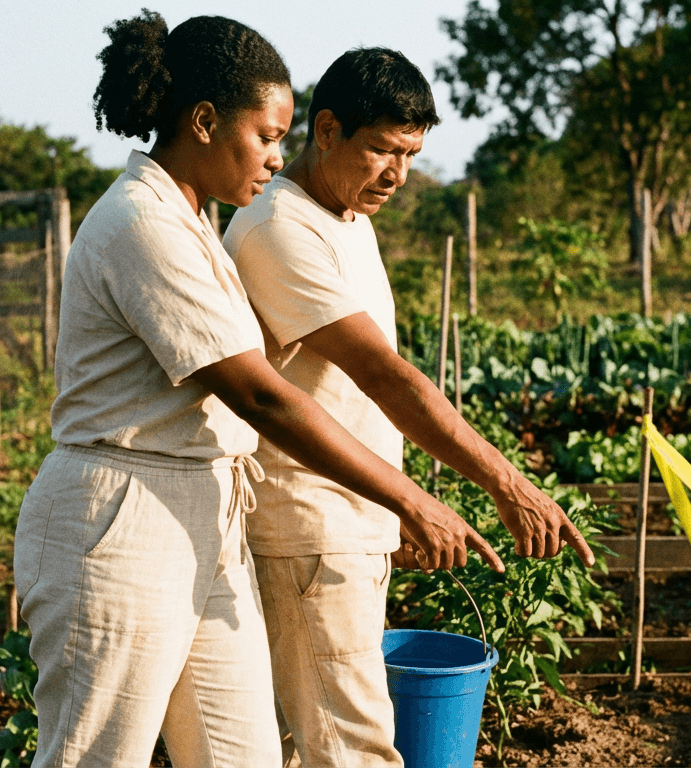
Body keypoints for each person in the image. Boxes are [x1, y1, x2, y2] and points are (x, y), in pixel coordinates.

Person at [13, 16, 501, 767]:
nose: (278, 156)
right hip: (123, 513)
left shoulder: (191, 222)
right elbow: (263, 397)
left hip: (204, 506)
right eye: (268, 136)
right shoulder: (142, 223)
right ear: (205, 122)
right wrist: (411, 500)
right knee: (95, 756)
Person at [223, 47, 596, 768]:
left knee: (311, 744)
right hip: (309, 530)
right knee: (353, 749)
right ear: (326, 130)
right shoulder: (279, 229)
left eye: (411, 155)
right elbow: (385, 378)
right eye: (382, 150)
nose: (397, 174)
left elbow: (341, 393)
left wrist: (388, 513)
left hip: (348, 521)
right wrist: (506, 483)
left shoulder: (345, 216)